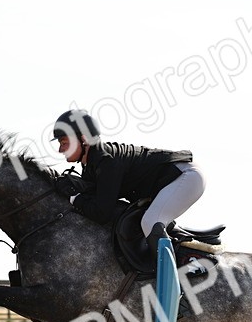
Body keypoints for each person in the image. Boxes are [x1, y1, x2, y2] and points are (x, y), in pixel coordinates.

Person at [52, 109, 205, 258]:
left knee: (150, 222)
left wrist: (74, 197)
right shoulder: (92, 164)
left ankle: (181, 267)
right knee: (148, 220)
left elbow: (101, 213)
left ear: (83, 139)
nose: (60, 149)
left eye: (64, 142)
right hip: (176, 177)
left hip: (186, 175)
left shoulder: (106, 162)